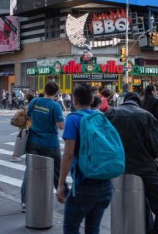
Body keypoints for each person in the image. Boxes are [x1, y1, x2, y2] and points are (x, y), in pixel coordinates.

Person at [106, 92, 158, 234]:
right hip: (144, 168)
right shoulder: (145, 116)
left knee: (142, 201)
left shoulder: (109, 114)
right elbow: (157, 149)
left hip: (117, 167)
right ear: (138, 102)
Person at [57, 83, 113, 233]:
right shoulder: (100, 117)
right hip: (106, 184)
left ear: (74, 100)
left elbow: (68, 154)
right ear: (92, 100)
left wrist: (61, 184)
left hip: (84, 184)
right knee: (93, 228)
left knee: (71, 228)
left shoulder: (73, 119)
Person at [20, 82, 66, 212]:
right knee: (57, 171)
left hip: (33, 140)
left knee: (30, 170)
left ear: (44, 90)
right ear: (56, 93)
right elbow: (61, 126)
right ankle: (64, 195)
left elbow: (26, 115)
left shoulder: (35, 101)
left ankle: (25, 201)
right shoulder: (55, 106)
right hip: (50, 143)